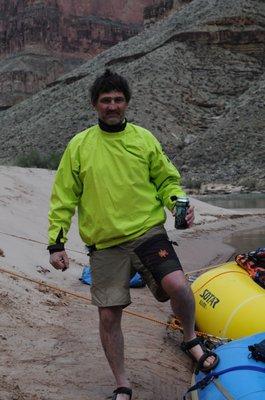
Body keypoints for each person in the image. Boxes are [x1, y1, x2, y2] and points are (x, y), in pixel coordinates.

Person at [47, 69, 219, 400]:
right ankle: (122, 383)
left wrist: (176, 203)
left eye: (118, 100)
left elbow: (167, 180)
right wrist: (57, 243)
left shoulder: (143, 139)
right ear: (94, 105)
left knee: (179, 286)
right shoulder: (79, 146)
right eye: (105, 100)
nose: (112, 106)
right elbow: (63, 198)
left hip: (147, 232)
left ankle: (189, 338)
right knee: (109, 314)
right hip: (105, 244)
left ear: (127, 103)